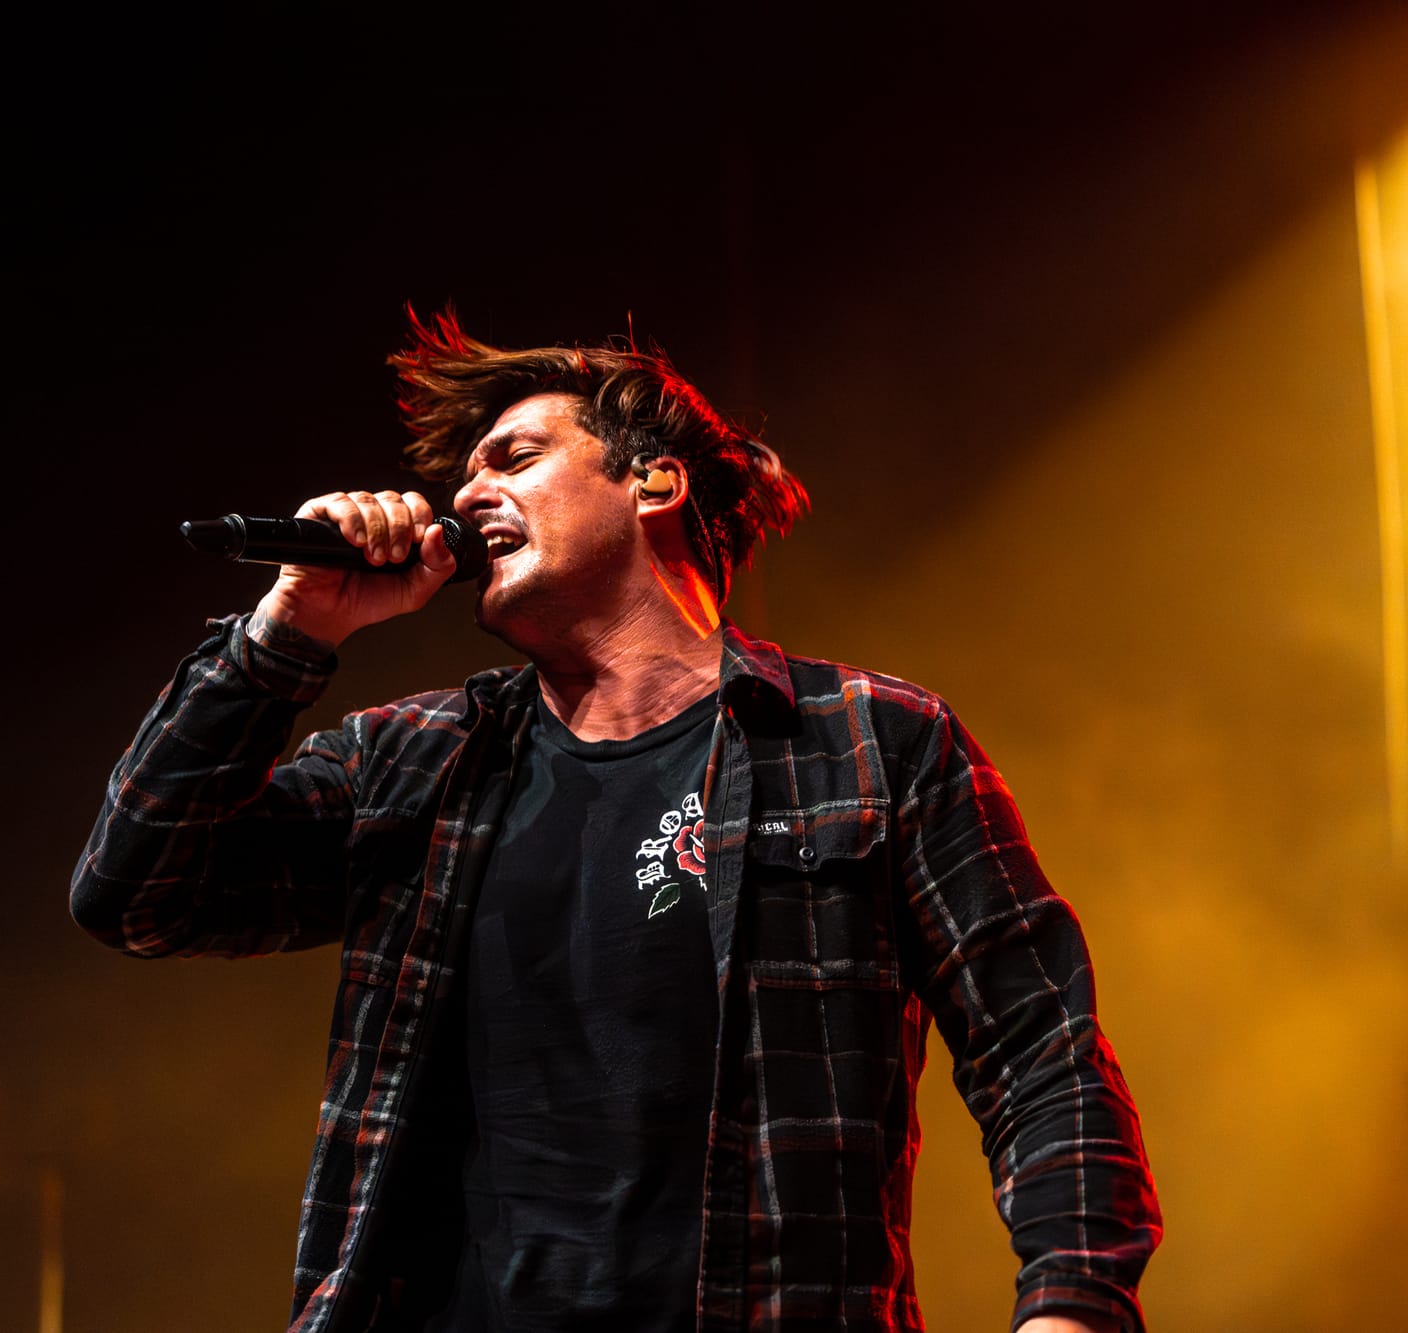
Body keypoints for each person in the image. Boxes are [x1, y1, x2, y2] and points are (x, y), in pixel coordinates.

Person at [71, 309, 1160, 1333]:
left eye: (513, 458)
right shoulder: (413, 761)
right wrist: (287, 628)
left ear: (652, 481)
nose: (466, 495)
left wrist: (1070, 1305)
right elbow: (139, 892)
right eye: (464, 475)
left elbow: (1040, 1051)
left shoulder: (872, 742)